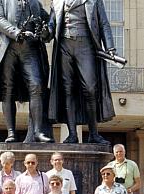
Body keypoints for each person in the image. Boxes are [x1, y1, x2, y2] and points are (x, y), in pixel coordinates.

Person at [47, 0, 115, 144]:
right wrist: (45, 32)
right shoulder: (57, 1)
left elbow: (103, 23)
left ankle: (93, 134)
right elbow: (51, 25)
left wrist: (110, 47)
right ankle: (72, 134)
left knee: (90, 89)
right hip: (64, 45)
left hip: (86, 45)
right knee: (67, 90)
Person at [0, 0, 53, 143]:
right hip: (8, 47)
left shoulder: (35, 3)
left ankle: (38, 132)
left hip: (30, 49)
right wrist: (17, 32)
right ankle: (11, 132)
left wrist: (46, 31)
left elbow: (49, 22)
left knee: (36, 86)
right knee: (8, 89)